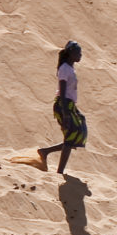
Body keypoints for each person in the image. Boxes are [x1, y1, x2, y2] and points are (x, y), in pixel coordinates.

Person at [38, 41, 86, 174]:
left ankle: (45, 152)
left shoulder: (70, 68)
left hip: (69, 105)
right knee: (71, 137)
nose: (80, 55)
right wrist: (65, 114)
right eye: (78, 52)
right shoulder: (65, 68)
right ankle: (59, 171)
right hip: (63, 105)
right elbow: (63, 92)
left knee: (76, 136)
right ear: (70, 53)